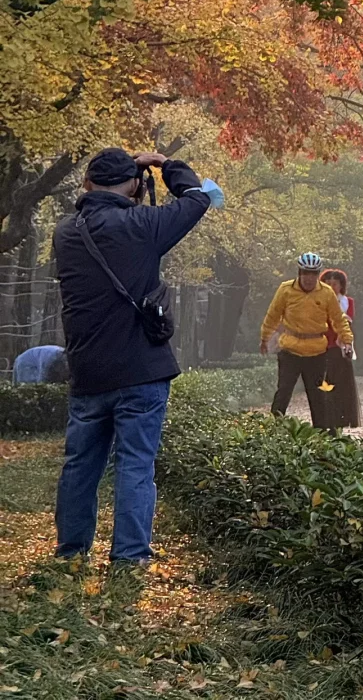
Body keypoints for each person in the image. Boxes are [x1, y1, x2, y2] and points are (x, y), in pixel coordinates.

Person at [52, 147, 219, 566]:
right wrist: (166, 167)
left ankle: (71, 552)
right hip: (142, 369)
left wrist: (133, 180)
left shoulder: (66, 232)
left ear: (87, 184)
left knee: (80, 465)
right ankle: (129, 557)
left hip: (88, 368)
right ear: (132, 185)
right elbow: (198, 197)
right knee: (135, 465)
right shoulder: (145, 224)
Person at [260, 253, 353, 429]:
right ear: (299, 273)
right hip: (290, 348)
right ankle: (273, 428)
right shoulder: (286, 290)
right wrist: (264, 338)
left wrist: (347, 341)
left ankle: (322, 433)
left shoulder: (326, 293)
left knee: (318, 396)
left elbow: (338, 319)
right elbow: (273, 315)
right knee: (284, 391)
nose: (309, 278)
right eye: (306, 273)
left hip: (316, 351)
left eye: (313, 274)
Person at [320, 268, 361, 429]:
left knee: (342, 384)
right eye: (327, 283)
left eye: (334, 284)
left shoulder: (347, 302)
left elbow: (348, 321)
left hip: (340, 347)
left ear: (341, 285)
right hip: (322, 345)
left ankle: (342, 417)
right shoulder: (318, 301)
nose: (331, 286)